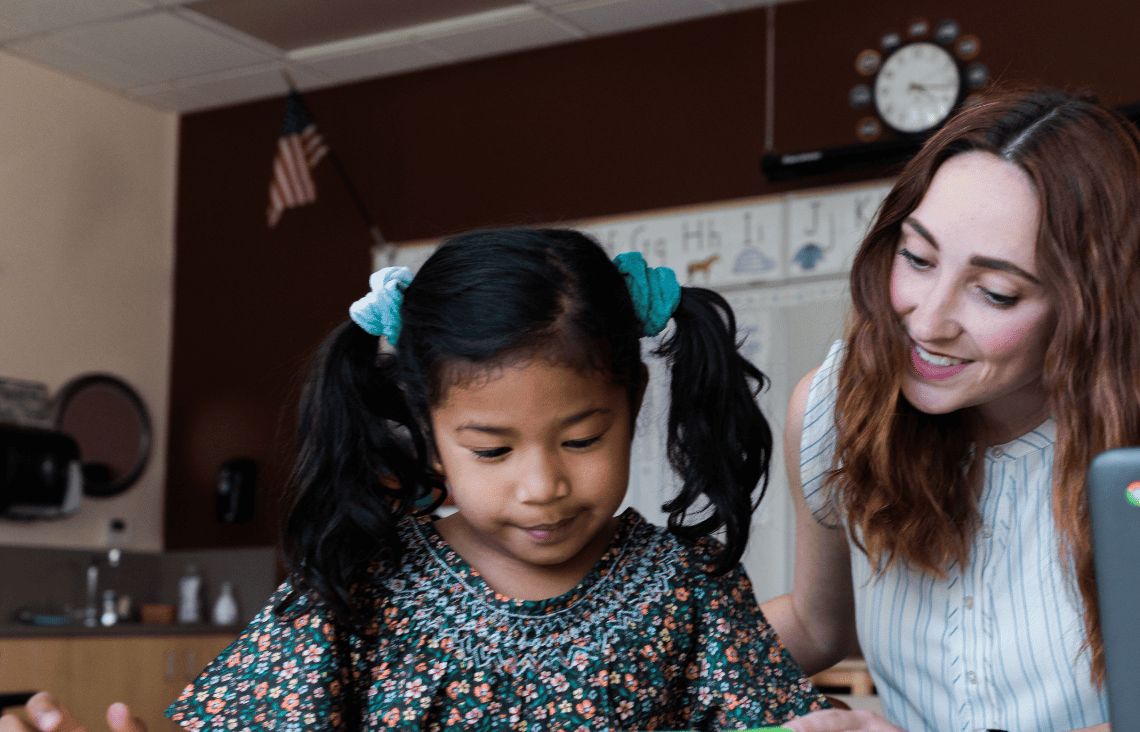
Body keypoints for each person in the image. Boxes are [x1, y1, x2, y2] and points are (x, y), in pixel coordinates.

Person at [1, 228, 828, 732]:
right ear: (428, 435)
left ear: (634, 403)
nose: (541, 485)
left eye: (581, 439)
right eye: (492, 451)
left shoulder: (687, 588)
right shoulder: (357, 585)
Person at [761, 88, 1140, 732]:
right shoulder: (834, 406)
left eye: (996, 293)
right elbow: (817, 625)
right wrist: (652, 641)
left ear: (1091, 307)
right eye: (917, 258)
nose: (928, 323)